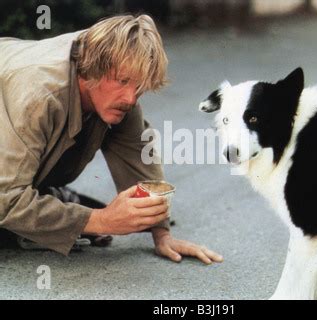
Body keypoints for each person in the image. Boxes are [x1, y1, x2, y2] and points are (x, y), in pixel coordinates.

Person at [0, 14, 223, 265]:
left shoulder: (114, 79)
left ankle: (48, 201)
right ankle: (45, 205)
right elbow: (6, 200)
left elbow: (136, 154)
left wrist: (162, 234)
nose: (130, 98)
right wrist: (100, 220)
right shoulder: (39, 95)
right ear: (91, 71)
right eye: (123, 81)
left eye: (139, 86)